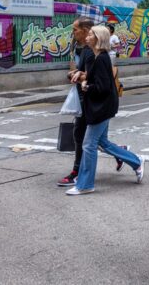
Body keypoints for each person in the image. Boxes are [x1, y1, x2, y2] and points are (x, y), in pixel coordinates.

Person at [66, 25, 144, 195]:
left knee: (88, 144)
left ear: (98, 38)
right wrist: (81, 76)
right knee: (102, 142)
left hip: (102, 107)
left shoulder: (101, 58)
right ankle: (136, 161)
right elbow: (98, 80)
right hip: (100, 106)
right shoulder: (95, 55)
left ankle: (85, 184)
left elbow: (103, 87)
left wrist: (86, 86)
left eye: (91, 34)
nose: (88, 35)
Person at [57, 17, 95, 187]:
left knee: (81, 135)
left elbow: (94, 76)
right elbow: (76, 69)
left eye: (75, 29)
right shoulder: (77, 47)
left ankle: (77, 172)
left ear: (86, 30)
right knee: (93, 138)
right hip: (82, 97)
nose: (73, 32)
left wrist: (79, 76)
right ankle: (126, 154)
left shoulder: (92, 51)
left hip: (90, 99)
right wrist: (73, 73)